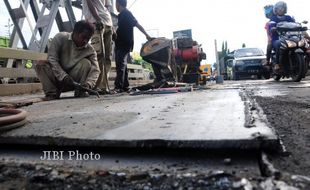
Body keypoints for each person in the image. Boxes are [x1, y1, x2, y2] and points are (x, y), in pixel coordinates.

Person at [35, 20, 100, 100]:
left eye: (88, 38)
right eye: (83, 37)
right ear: (75, 32)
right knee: (40, 64)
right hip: (57, 79)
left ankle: (81, 91)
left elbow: (96, 69)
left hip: (74, 83)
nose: (85, 41)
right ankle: (51, 93)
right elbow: (52, 59)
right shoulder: (60, 38)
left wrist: (89, 84)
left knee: (86, 63)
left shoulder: (90, 50)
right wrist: (63, 76)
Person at [113, 0, 152, 93]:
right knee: (123, 65)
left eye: (115, 4)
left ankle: (118, 86)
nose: (115, 6)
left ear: (118, 4)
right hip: (119, 43)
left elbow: (137, 25)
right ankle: (125, 86)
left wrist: (147, 35)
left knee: (120, 64)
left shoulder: (127, 13)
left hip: (125, 43)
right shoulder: (120, 16)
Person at [83, 0, 113, 94]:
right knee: (98, 55)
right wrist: (97, 18)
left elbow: (106, 8)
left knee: (107, 57)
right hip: (96, 22)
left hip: (108, 23)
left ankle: (104, 86)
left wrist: (113, 27)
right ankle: (95, 86)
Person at [268, 1, 295, 71]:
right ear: (275, 10)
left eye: (282, 8)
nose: (280, 9)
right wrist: (272, 28)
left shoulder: (288, 17)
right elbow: (270, 26)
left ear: (285, 9)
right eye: (279, 8)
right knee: (278, 43)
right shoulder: (273, 18)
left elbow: (294, 25)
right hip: (277, 38)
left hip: (289, 38)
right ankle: (277, 64)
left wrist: (299, 25)